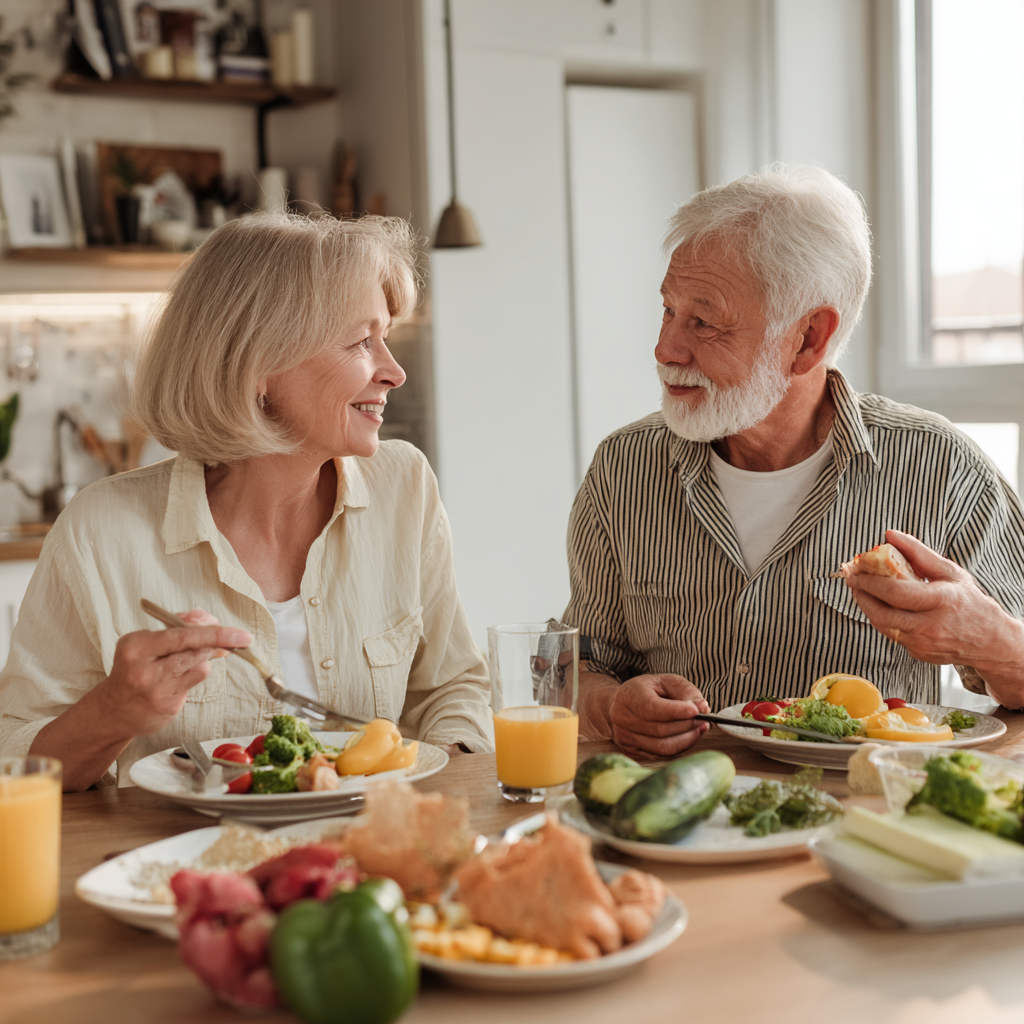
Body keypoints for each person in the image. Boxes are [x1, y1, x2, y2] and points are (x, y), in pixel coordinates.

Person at [0, 214, 492, 790]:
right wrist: (112, 713)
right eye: (362, 341)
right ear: (259, 366)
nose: (394, 371)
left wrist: (443, 775)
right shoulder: (100, 530)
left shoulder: (404, 485)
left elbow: (452, 686)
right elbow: (15, 764)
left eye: (385, 337)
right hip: (179, 866)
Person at [563, 166, 1024, 760]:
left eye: (703, 322)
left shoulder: (942, 467)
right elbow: (583, 666)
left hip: (865, 828)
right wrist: (610, 705)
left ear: (809, 338)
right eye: (668, 311)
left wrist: (989, 640)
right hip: (683, 829)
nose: (666, 349)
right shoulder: (623, 469)